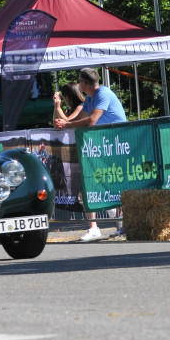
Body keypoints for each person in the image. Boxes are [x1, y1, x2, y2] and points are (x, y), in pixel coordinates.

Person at [54, 68, 127, 241]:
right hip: (101, 145)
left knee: (116, 184)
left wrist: (66, 124)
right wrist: (62, 120)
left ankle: (121, 224)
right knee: (87, 182)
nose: (79, 84)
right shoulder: (89, 98)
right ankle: (94, 228)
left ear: (84, 83)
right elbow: (76, 120)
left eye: (80, 81)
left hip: (117, 145)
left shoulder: (103, 94)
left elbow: (92, 120)